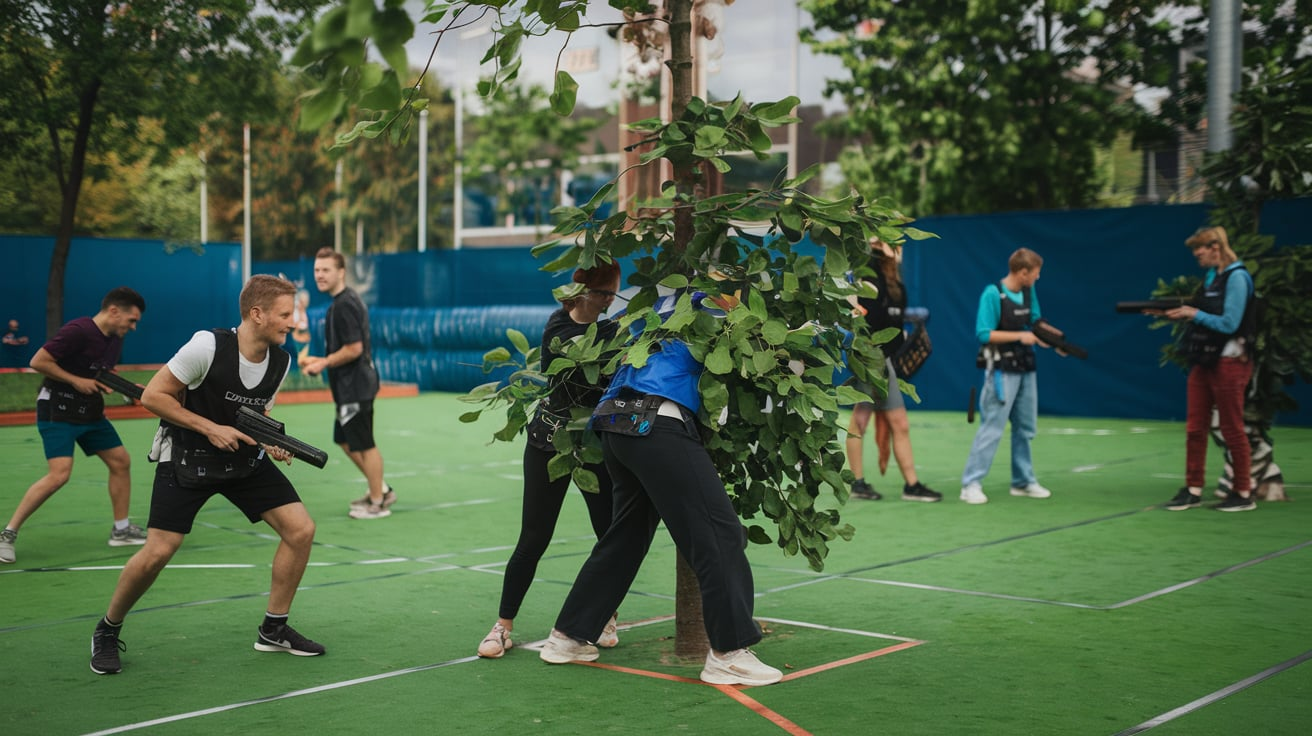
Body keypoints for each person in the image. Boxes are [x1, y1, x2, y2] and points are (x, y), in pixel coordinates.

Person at [538, 287, 783, 687]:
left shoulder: (657, 310)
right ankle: (729, 652)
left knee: (626, 536)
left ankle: (568, 636)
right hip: (658, 422)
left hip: (615, 422)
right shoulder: (719, 312)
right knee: (719, 532)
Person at [89, 274, 324, 675]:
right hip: (185, 454)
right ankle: (107, 629)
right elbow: (153, 396)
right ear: (257, 314)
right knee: (159, 551)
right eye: (286, 314)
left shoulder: (281, 360)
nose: (294, 323)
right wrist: (210, 428)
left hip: (241, 458)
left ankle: (273, 628)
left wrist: (270, 439)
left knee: (300, 530)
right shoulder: (207, 346)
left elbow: (254, 414)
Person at [477, 263, 622, 659]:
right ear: (580, 291)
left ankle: (606, 613)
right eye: (602, 294)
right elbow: (582, 364)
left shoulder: (613, 331)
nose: (609, 302)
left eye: (613, 294)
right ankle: (502, 626)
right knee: (533, 538)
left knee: (609, 535)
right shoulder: (558, 328)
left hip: (593, 445)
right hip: (550, 443)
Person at [0, 288, 146, 565]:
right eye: (131, 320)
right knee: (59, 474)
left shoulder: (114, 339)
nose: (133, 327)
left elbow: (101, 373)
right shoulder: (78, 330)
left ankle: (122, 529)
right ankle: (6, 535)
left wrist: (130, 390)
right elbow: (38, 361)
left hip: (89, 412)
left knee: (120, 461)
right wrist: (75, 381)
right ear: (114, 311)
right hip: (57, 409)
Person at [1154, 226, 1257, 512]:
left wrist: (1192, 313)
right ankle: (1193, 488)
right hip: (1206, 359)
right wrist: (1174, 312)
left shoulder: (1237, 277)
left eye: (1199, 250)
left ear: (1215, 247)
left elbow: (1229, 323)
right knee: (1195, 426)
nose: (1196, 256)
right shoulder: (1212, 277)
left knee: (1231, 427)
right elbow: (1201, 312)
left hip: (1231, 361)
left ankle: (1243, 491)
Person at [846, 239, 942, 502]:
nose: (898, 249)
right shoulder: (867, 275)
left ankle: (912, 485)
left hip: (887, 361)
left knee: (899, 423)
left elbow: (895, 321)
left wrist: (903, 345)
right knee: (861, 421)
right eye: (893, 245)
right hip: (869, 357)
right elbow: (870, 319)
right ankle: (857, 483)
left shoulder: (894, 281)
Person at [301, 247, 393, 520]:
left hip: (357, 387)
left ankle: (378, 502)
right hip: (347, 387)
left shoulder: (345, 304)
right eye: (317, 270)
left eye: (326, 270)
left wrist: (324, 363)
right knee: (343, 439)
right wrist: (323, 359)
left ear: (341, 272)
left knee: (365, 444)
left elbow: (354, 348)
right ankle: (382, 489)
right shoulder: (340, 302)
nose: (320, 275)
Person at [959, 248, 1054, 505]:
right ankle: (971, 484)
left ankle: (1022, 481)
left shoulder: (1027, 291)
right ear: (1023, 272)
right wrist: (1020, 337)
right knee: (992, 427)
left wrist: (1055, 340)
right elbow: (983, 334)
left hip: (1026, 367)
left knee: (1025, 427)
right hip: (1000, 370)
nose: (1037, 278)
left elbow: (1035, 322)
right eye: (1035, 274)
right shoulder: (992, 294)